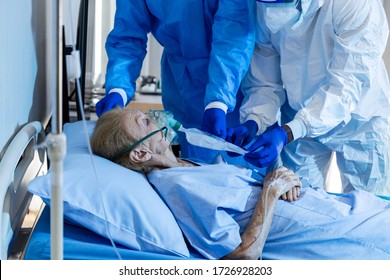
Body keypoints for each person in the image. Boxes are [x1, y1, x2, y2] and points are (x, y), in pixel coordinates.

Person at [90, 108, 390, 260]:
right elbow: (242, 257)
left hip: (329, 207)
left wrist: (284, 180)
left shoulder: (185, 166)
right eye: (145, 121)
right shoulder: (176, 188)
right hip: (330, 231)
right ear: (141, 153)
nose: (157, 118)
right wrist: (271, 191)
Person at [226, 0, 390, 197]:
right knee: (296, 203)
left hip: (360, 123)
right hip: (298, 117)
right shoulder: (262, 7)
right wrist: (255, 120)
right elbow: (264, 81)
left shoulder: (354, 3)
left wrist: (288, 132)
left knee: (369, 212)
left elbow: (346, 87)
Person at [95, 0, 256, 163]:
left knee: (247, 160)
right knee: (195, 161)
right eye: (144, 121)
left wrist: (219, 101)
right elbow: (127, 35)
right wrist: (118, 88)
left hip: (234, 78)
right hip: (181, 80)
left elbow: (233, 34)